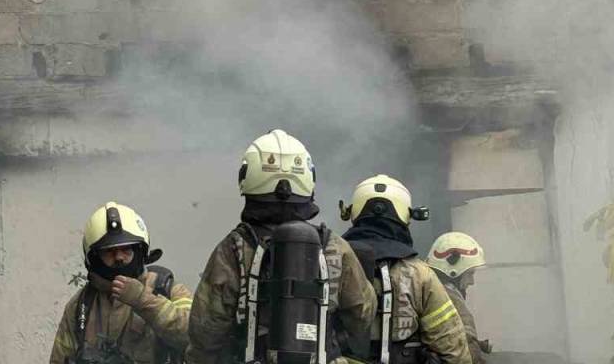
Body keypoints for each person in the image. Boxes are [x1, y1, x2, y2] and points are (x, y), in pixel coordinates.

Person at [188, 129, 376, 364]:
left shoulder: (234, 248)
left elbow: (206, 328)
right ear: (308, 178)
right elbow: (363, 313)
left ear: (247, 177)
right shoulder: (335, 246)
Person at [339, 175, 470, 364]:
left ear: (353, 213)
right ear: (406, 216)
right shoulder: (419, 275)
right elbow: (453, 350)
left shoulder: (328, 263)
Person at [50, 201, 192, 364]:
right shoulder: (81, 306)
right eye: (109, 251)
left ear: (139, 251)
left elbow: (196, 338)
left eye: (126, 249)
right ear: (95, 258)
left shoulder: (167, 289)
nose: (119, 257)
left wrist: (143, 300)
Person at [427, 232, 489, 364]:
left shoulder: (428, 292)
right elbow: (468, 351)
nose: (472, 282)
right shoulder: (450, 299)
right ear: (454, 272)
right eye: (470, 274)